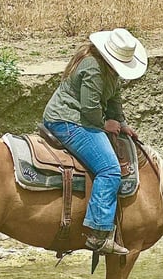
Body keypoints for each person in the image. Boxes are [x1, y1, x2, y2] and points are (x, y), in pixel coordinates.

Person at [43, 28, 148, 255]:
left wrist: (121, 122)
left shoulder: (109, 70)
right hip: (68, 121)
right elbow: (89, 107)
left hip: (79, 119)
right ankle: (98, 233)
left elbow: (114, 99)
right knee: (110, 170)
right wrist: (104, 125)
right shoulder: (93, 68)